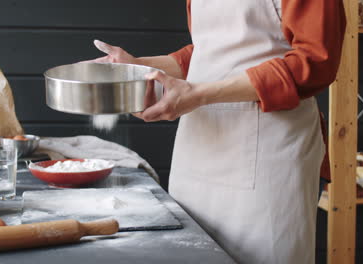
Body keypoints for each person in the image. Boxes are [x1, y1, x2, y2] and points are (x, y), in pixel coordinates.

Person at [87, 0, 346, 263]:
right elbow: (212, 50)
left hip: (267, 152)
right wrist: (139, 67)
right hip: (198, 147)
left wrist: (200, 94)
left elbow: (315, 61)